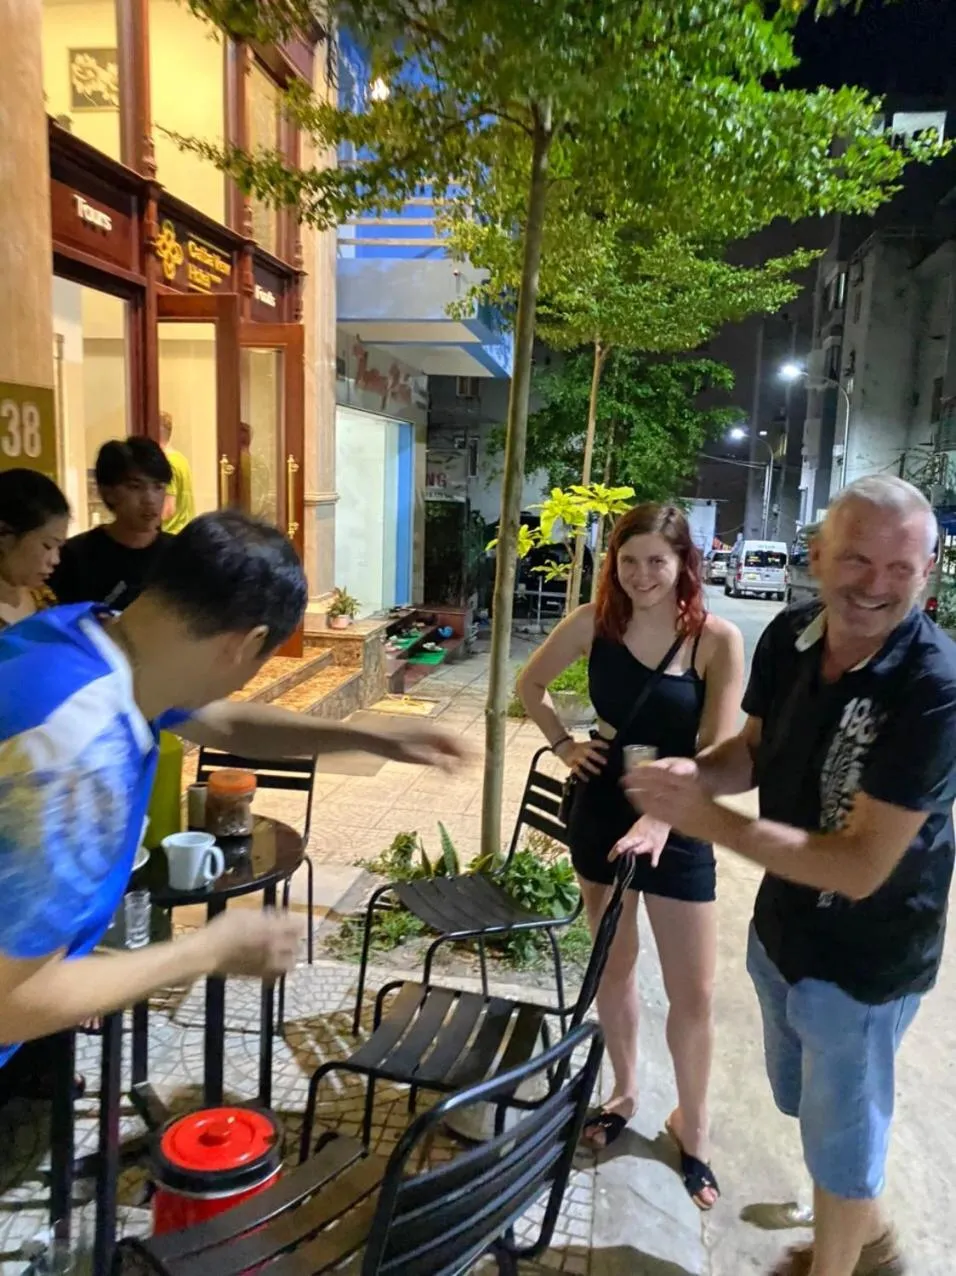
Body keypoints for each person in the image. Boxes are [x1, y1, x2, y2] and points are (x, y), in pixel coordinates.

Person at [0, 510, 466, 1076]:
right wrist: (208, 950)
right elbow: (10, 1003)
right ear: (249, 643)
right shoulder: (76, 755)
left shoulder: (83, 636)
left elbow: (225, 723)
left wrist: (368, 736)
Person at [628, 476, 956, 1276]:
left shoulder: (933, 688)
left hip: (866, 965)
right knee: (804, 1108)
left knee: (842, 1151)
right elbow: (750, 753)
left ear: (930, 570)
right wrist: (693, 775)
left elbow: (862, 864)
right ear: (817, 556)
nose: (874, 585)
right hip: (780, 937)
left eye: (900, 568)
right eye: (855, 559)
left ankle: (840, 1257)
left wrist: (710, 822)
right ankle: (869, 1240)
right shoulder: (791, 638)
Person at [518, 503, 744, 1209]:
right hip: (603, 806)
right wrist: (563, 744)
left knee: (695, 992)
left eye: (658, 561)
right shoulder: (593, 623)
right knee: (613, 969)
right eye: (628, 561)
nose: (642, 575)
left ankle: (694, 1126)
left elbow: (716, 751)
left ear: (684, 565)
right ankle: (623, 1091)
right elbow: (530, 685)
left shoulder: (714, 640)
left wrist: (662, 819)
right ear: (611, 563)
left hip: (680, 817)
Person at [51, 436, 173, 610]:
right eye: (135, 487)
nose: (150, 499)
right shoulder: (73, 557)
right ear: (107, 492)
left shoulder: (180, 554)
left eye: (158, 487)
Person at [0, 469, 69, 630]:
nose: (55, 560)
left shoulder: (43, 598)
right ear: (4, 535)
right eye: (48, 546)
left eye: (59, 547)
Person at [160, 411, 196, 534]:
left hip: (170, 533)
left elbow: (168, 509)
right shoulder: (181, 460)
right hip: (185, 532)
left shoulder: (167, 464)